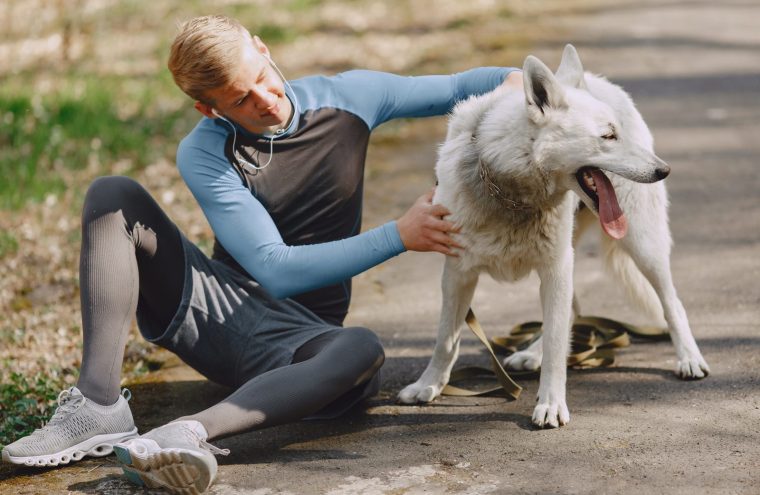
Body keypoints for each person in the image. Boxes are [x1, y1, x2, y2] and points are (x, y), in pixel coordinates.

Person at [1, 14, 521, 494]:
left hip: (302, 341)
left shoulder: (352, 96)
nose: (267, 101)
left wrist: (520, 85)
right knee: (113, 194)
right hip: (222, 315)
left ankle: (184, 434)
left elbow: (466, 85)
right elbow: (275, 270)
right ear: (209, 108)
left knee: (361, 349)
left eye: (263, 79)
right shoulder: (205, 151)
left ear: (263, 47)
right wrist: (399, 236)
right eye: (241, 100)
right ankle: (97, 406)